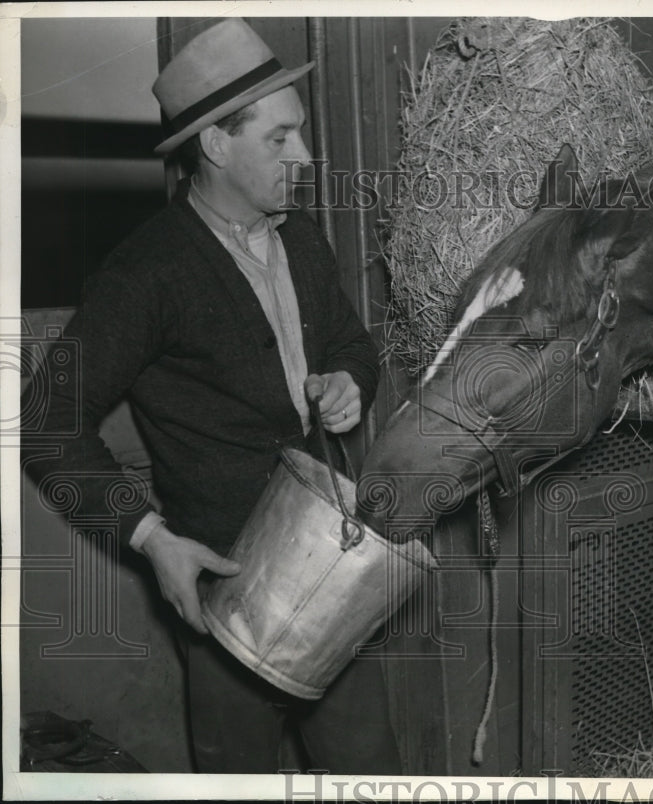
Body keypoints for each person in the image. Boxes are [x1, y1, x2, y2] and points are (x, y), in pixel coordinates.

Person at [23, 18, 401, 774]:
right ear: (217, 146)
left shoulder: (302, 237)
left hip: (332, 579)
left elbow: (352, 346)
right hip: (226, 600)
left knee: (376, 774)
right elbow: (42, 426)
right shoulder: (145, 273)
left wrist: (348, 383)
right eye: (281, 137)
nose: (304, 154)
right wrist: (152, 540)